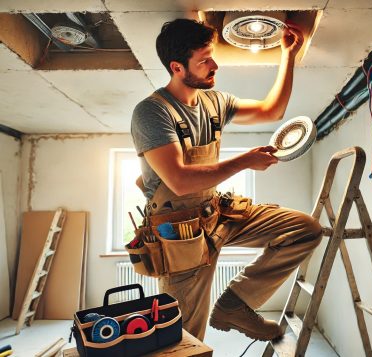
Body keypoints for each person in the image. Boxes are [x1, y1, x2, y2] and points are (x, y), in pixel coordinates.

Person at [131, 18, 322, 342]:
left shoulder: (215, 102)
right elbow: (178, 180)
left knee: (305, 230)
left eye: (212, 55)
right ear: (177, 67)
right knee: (183, 337)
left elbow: (271, 111)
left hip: (216, 213)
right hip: (180, 233)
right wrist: (246, 161)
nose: (214, 65)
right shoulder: (152, 112)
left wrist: (287, 55)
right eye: (204, 60)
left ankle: (236, 304)